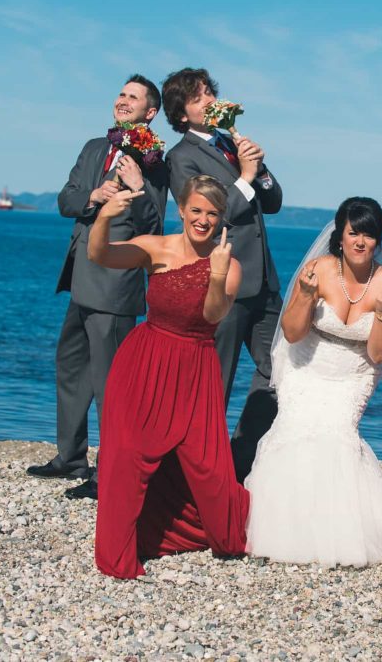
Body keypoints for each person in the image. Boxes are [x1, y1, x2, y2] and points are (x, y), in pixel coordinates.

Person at [90, 175, 249, 579]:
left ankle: (205, 529)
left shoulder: (230, 265)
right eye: (196, 210)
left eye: (212, 213)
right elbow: (100, 255)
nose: (203, 220)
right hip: (144, 361)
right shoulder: (155, 246)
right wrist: (103, 218)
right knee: (126, 455)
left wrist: (215, 274)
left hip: (196, 367)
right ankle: (119, 554)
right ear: (181, 209)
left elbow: (213, 315)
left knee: (210, 471)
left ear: (221, 219)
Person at [244, 197, 382, 566]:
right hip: (307, 363)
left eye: (369, 235)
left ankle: (337, 530)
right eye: (354, 233)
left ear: (378, 241)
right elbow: (291, 333)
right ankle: (285, 526)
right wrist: (306, 296)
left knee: (336, 438)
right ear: (340, 236)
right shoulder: (318, 270)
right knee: (294, 433)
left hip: (353, 374)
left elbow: (381, 354)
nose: (360, 241)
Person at [27, 75, 169, 500]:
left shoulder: (153, 159)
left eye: (133, 97)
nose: (123, 101)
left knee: (111, 383)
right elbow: (66, 201)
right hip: (80, 277)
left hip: (116, 285)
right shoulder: (93, 147)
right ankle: (70, 457)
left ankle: (108, 471)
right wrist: (94, 194)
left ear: (150, 112)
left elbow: (154, 225)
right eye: (121, 94)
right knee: (70, 366)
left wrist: (136, 189)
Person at [162, 68, 283, 482]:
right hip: (224, 280)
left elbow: (275, 202)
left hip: (264, 280)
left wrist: (260, 169)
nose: (209, 100)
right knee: (216, 379)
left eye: (211, 92)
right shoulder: (181, 157)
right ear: (182, 114)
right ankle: (197, 470)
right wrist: (246, 178)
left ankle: (242, 455)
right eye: (198, 98)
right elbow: (211, 214)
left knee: (280, 368)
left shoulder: (232, 142)